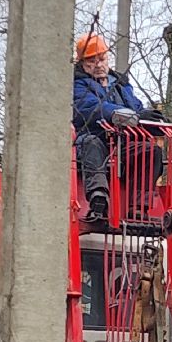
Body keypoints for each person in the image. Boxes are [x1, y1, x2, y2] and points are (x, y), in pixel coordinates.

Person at [71, 32, 148, 222]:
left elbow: (136, 108)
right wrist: (117, 114)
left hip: (122, 143)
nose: (98, 65)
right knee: (91, 144)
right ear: (81, 63)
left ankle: (139, 206)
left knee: (148, 151)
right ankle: (98, 196)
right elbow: (88, 107)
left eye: (102, 59)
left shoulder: (121, 85)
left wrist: (147, 116)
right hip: (93, 137)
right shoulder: (77, 84)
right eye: (91, 61)